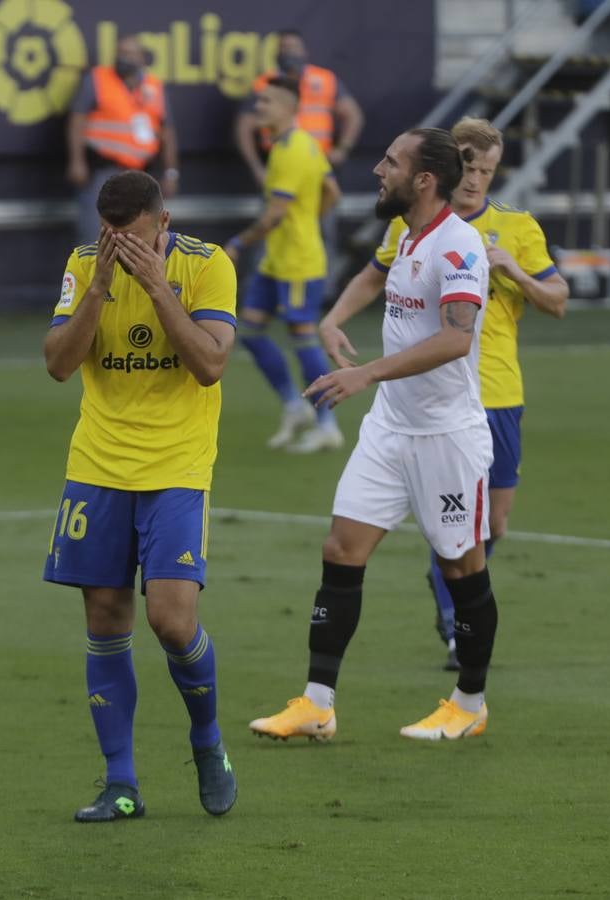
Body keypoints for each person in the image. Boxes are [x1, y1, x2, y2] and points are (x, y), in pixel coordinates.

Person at [249, 127, 500, 743]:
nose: (376, 170)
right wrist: (333, 320)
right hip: (390, 428)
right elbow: (374, 274)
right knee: (341, 550)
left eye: (391, 161)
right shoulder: (404, 234)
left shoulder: (459, 246)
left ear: (423, 179)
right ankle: (317, 704)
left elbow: (454, 338)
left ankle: (469, 702)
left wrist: (366, 373)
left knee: (461, 567)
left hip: (446, 437)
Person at [327, 117, 569, 669]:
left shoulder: (516, 228)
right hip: (425, 399)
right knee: (456, 536)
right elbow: (374, 273)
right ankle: (456, 629)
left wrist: (514, 273)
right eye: (469, 163)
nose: (476, 178)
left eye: (487, 169)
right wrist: (333, 318)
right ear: (444, 164)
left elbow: (558, 299)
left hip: (496, 392)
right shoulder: (411, 223)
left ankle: (451, 581)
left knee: (493, 525)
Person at [43, 171, 237, 822]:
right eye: (110, 236)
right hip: (97, 465)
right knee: (104, 618)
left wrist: (156, 288)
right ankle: (120, 784)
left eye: (133, 237)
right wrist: (99, 287)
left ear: (163, 222)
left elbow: (210, 365)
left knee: (172, 621)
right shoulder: (82, 265)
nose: (121, 247)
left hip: (177, 467)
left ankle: (207, 739)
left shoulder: (207, 267)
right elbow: (59, 363)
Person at [224, 76, 343, 453]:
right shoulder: (299, 143)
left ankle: (327, 423)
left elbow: (275, 215)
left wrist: (239, 243)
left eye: (268, 102)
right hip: (278, 259)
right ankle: (295, 406)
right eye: (259, 101)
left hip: (296, 262)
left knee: (301, 336)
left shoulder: (291, 151)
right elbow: (332, 192)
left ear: (290, 108)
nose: (259, 108)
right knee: (252, 331)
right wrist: (309, 220)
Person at [235, 28, 363, 296]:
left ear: (304, 52)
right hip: (280, 162)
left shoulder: (324, 80)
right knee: (271, 226)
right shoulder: (266, 83)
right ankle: (262, 290)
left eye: (293, 48)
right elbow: (243, 124)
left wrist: (343, 148)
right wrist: (257, 168)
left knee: (320, 230)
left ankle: (319, 291)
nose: (289, 54)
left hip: (315, 163)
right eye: (283, 48)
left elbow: (353, 114)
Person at [66, 35, 180, 244]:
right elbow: (77, 121)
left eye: (129, 54)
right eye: (119, 53)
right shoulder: (98, 79)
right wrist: (77, 161)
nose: (122, 58)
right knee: (94, 235)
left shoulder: (154, 86)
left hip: (140, 173)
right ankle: (91, 276)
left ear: (142, 58)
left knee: (140, 236)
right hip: (103, 170)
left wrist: (171, 172)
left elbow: (167, 132)